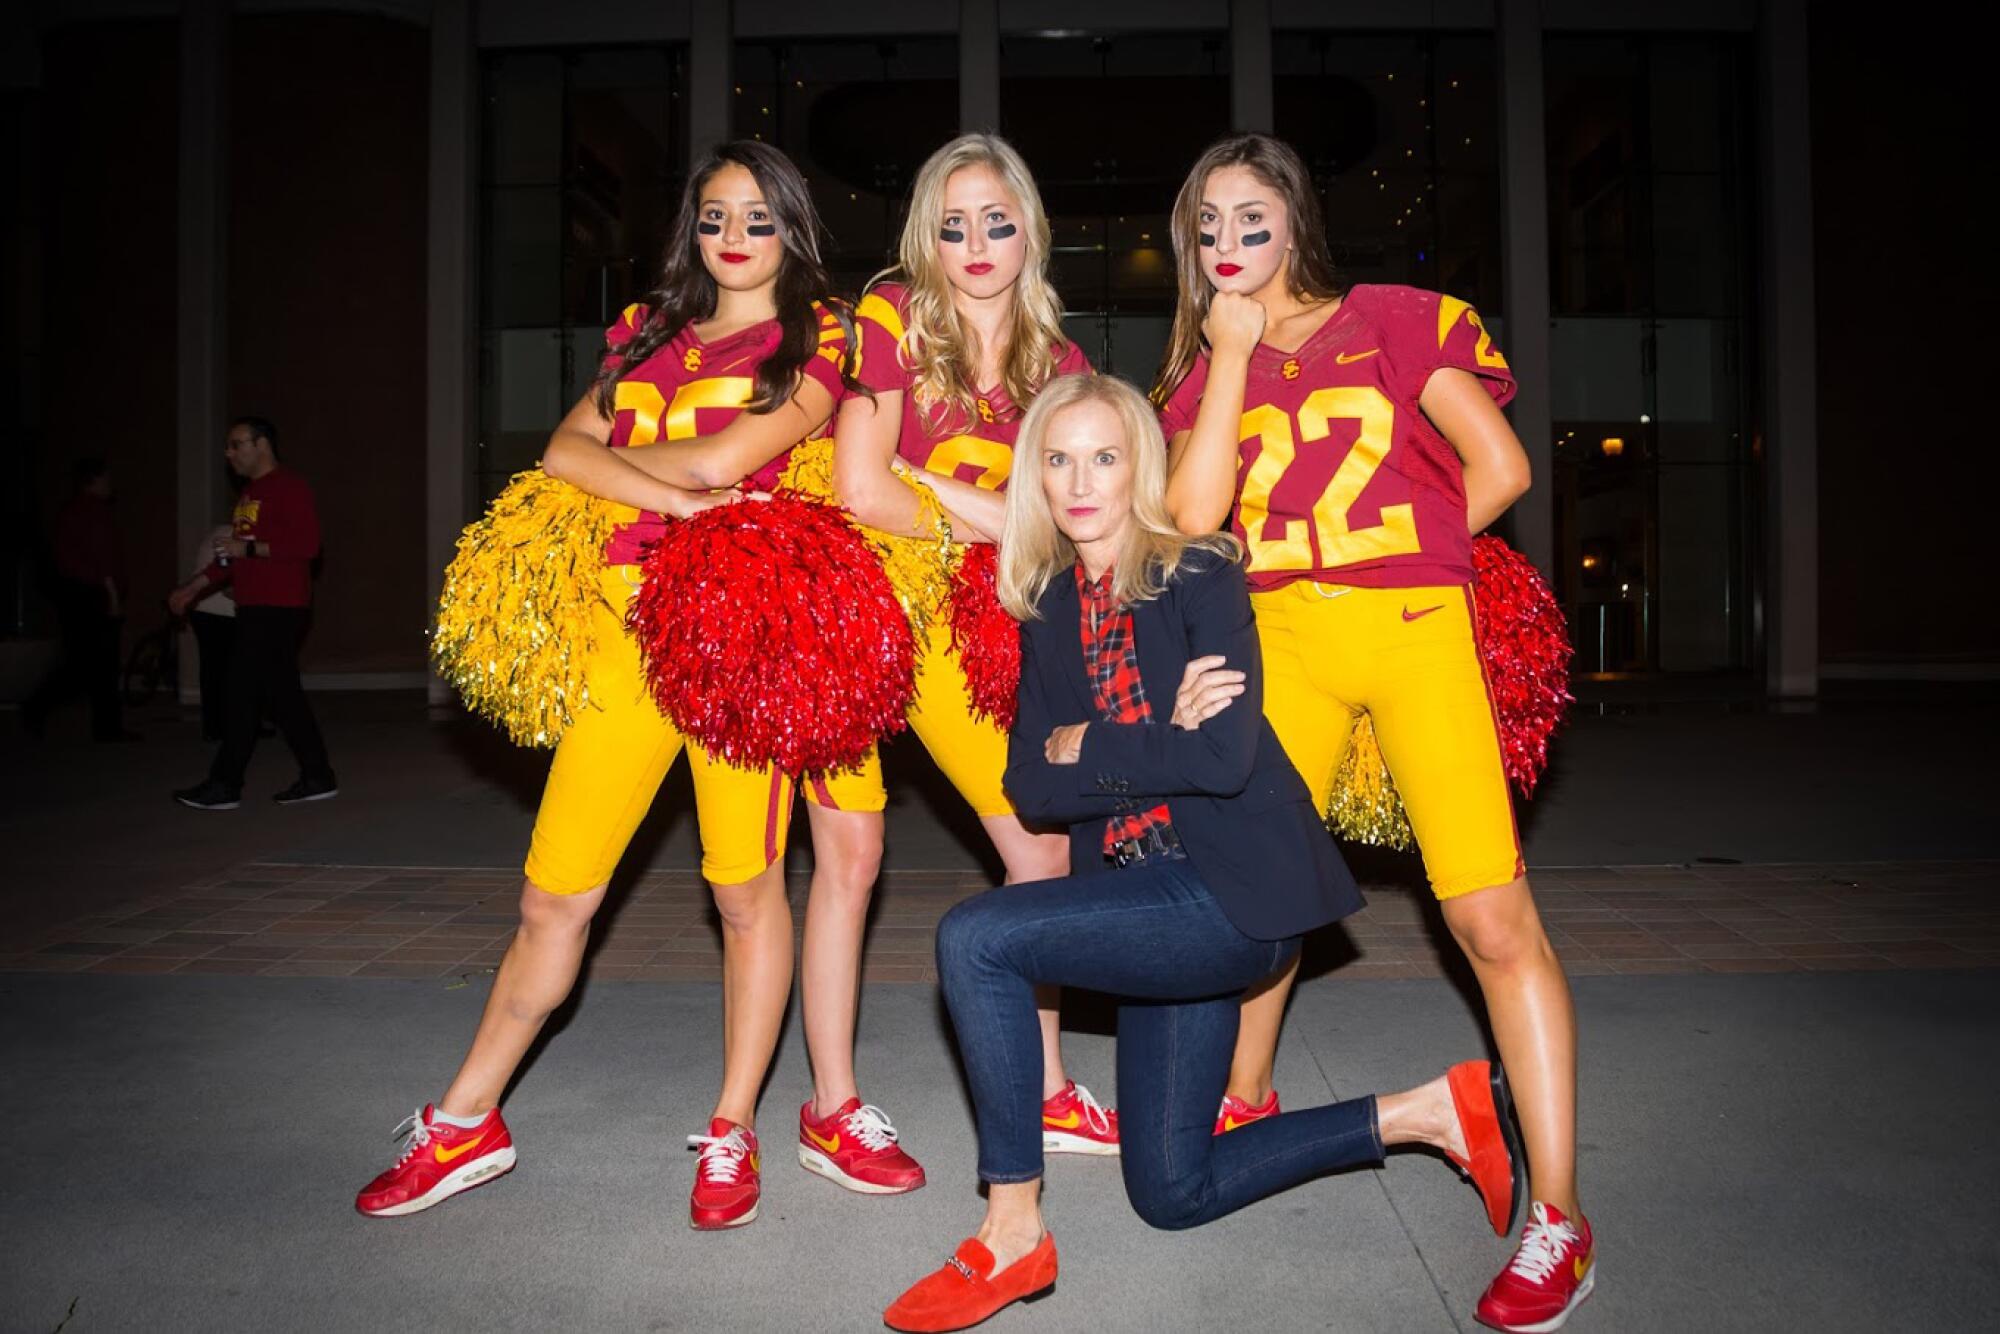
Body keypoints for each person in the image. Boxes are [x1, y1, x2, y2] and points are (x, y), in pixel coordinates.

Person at [882, 372, 1523, 1334]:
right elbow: (1027, 784)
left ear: (1139, 460)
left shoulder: (1200, 572)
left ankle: (1012, 1228)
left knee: (977, 939)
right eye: (1058, 460)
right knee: (1171, 1191)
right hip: (1143, 908)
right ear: (1037, 480)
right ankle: (1429, 1111)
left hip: (1232, 901)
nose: (1081, 480)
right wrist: (1141, 749)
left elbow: (1220, 762)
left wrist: (1091, 744)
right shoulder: (1051, 606)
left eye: (1104, 455)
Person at [352, 141, 888, 1232]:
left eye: (756, 217)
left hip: (741, 635)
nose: (732, 238)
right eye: (711, 217)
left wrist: (668, 481)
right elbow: (560, 450)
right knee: (555, 891)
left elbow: (715, 459)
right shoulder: (645, 329)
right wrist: (681, 489)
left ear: (792, 226)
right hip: (617, 628)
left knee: (744, 892)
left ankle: (733, 1121)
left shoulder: (822, 331)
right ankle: (466, 1119)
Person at [1153, 134, 1591, 1332]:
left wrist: (1392, 556)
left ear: (1293, 218)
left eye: (1251, 218)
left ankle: (1558, 1211)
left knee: (1487, 914)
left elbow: (1495, 466)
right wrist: (1231, 354)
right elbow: (1194, 517)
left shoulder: (1396, 316)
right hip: (1279, 639)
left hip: (1408, 623)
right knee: (1246, 889)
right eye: (1207, 228)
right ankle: (1241, 1098)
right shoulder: (1204, 366)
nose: (1230, 245)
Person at [800, 132, 1115, 1187]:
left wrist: (1023, 524)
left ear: (1030, 226)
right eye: (952, 222)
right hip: (850, 611)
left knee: (1042, 855)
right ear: (923, 237)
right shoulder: (887, 314)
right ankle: (829, 1107)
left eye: (997, 218)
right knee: (847, 859)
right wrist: (1019, 518)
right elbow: (863, 489)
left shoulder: (1059, 362)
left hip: (964, 626)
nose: (976, 242)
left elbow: (1085, 510)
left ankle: (1047, 1085)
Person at [167, 418, 335, 808]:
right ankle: (317, 775)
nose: (228, 453)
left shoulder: (289, 487)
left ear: (261, 445)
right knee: (280, 696)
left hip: (279, 606)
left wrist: (251, 549)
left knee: (242, 692)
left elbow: (307, 545)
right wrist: (192, 587)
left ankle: (226, 784)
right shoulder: (249, 495)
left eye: (235, 444)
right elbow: (231, 557)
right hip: (255, 606)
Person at [23, 457, 133, 742]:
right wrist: (112, 598)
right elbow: (102, 558)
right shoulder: (92, 511)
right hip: (90, 596)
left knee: (87, 663)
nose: (110, 485)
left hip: (77, 595)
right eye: (106, 479)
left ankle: (104, 726)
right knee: (95, 664)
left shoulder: (73, 510)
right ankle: (42, 707)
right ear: (94, 480)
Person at [186, 505, 240, 743]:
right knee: (229, 672)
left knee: (212, 670)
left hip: (202, 610)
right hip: (220, 613)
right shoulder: (232, 537)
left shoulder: (216, 532)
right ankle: (229, 725)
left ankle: (214, 726)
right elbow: (229, 585)